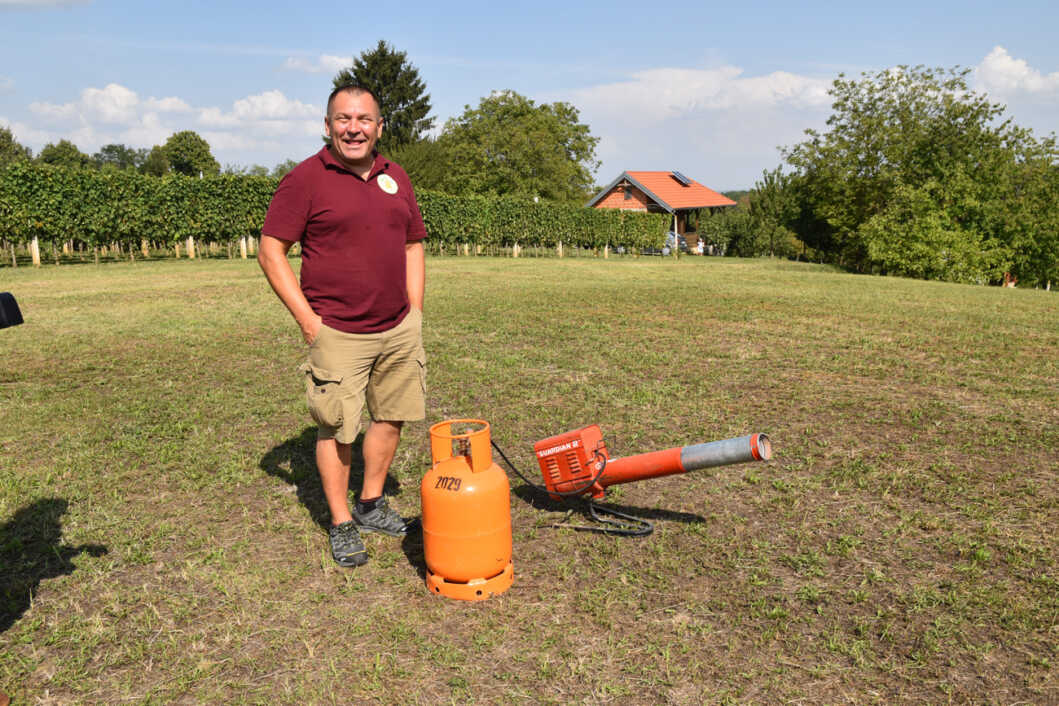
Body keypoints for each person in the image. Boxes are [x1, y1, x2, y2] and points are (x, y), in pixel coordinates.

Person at [258, 84, 427, 568]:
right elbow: (271, 251)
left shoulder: (396, 175)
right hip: (337, 332)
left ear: (379, 127)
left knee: (391, 416)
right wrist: (310, 322)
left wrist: (414, 310)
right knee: (336, 428)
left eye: (364, 119)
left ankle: (370, 503)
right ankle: (341, 521)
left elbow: (413, 244)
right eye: (343, 119)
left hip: (398, 328)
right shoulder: (305, 179)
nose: (354, 129)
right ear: (327, 125)